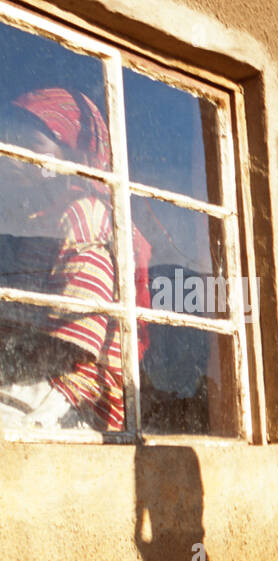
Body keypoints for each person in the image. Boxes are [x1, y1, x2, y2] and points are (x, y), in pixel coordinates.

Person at [0, 87, 152, 432]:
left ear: (70, 159)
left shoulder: (85, 215)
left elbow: (73, 351)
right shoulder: (29, 221)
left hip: (70, 400)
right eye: (9, 142)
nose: (12, 156)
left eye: (32, 147)